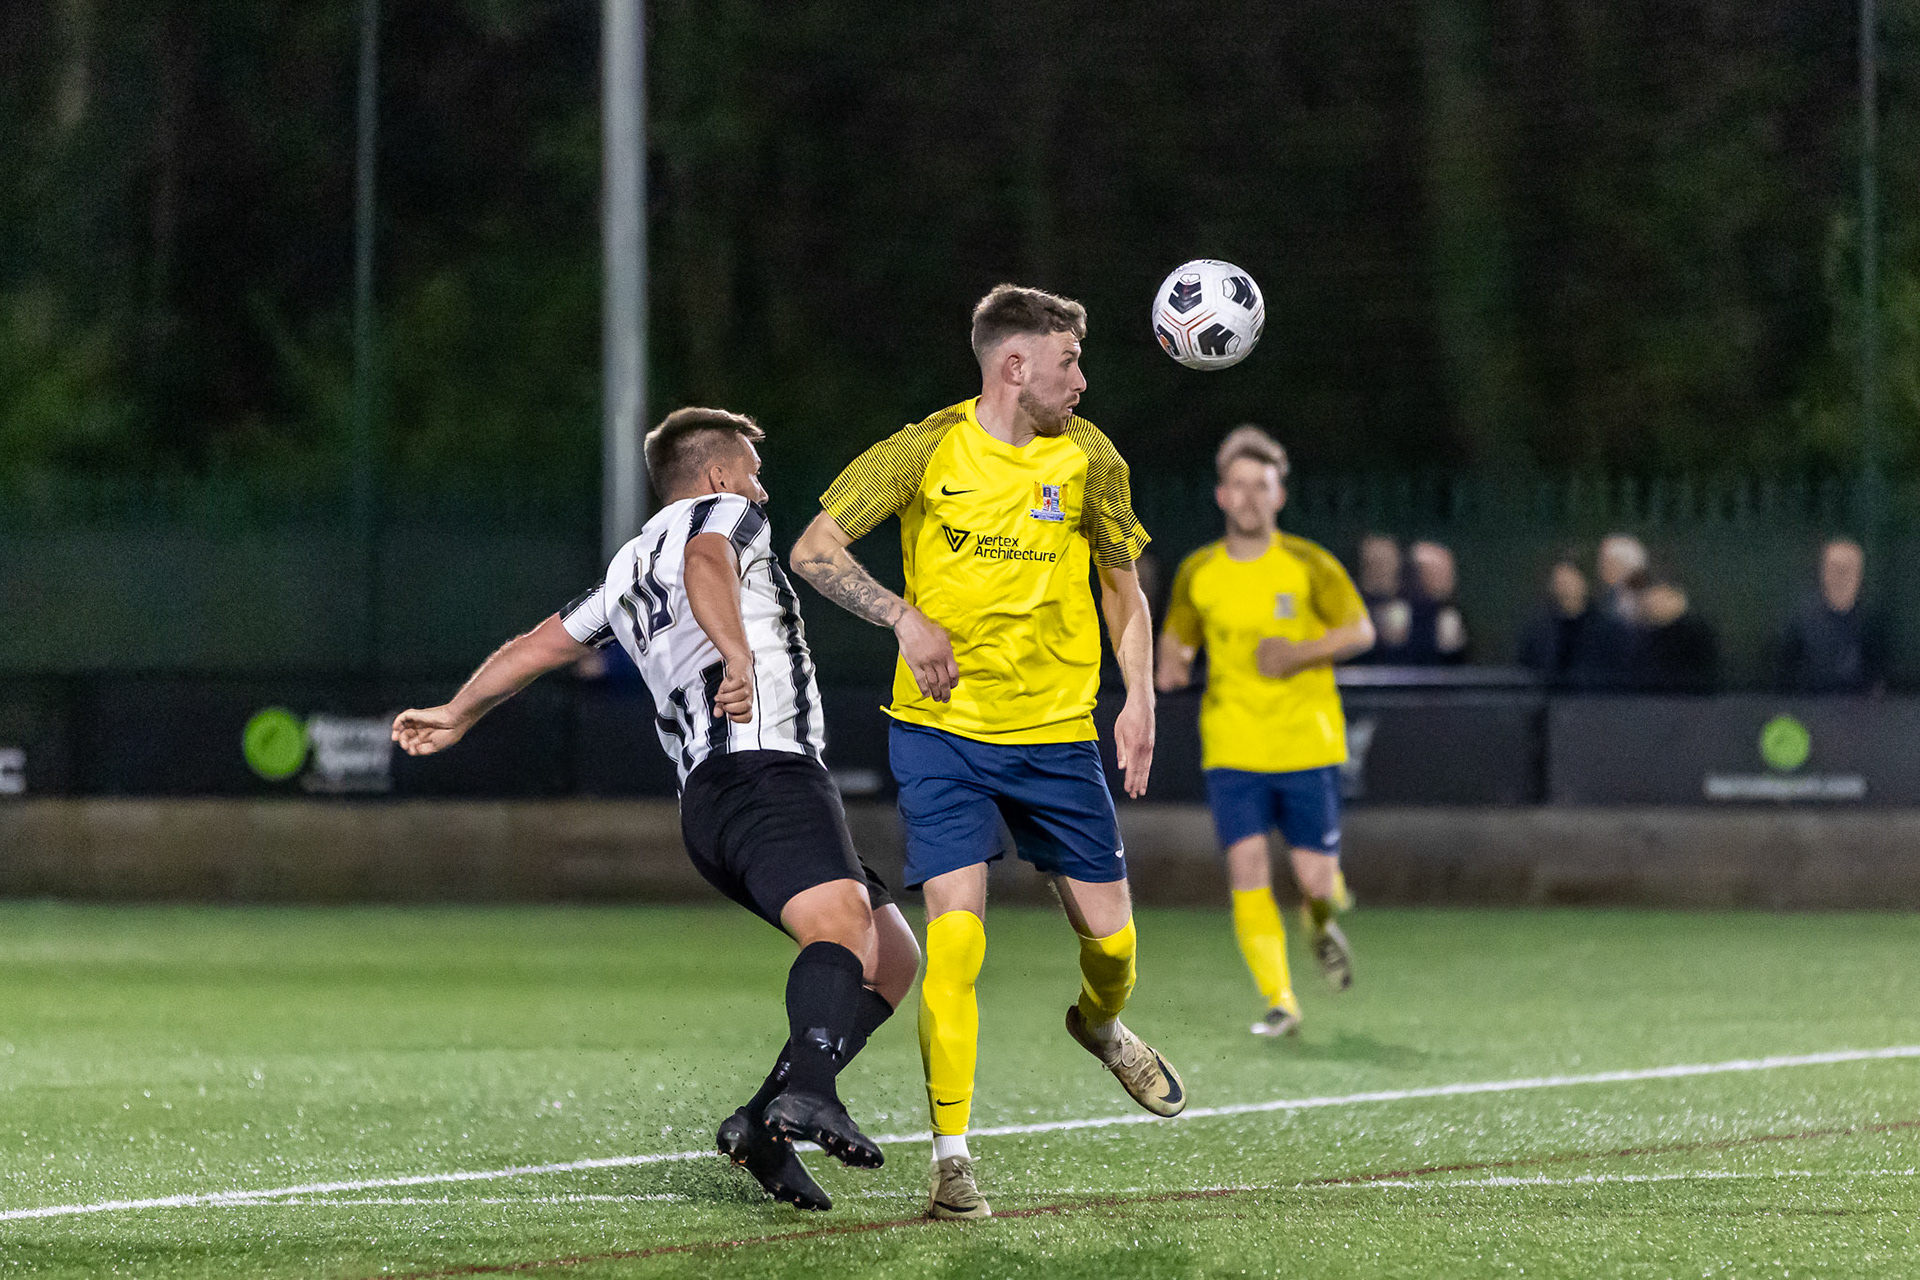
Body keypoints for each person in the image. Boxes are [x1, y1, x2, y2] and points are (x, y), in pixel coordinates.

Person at [390, 408, 920, 1214]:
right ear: (716, 475)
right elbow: (708, 560)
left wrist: (459, 712)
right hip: (762, 768)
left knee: (891, 957)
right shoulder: (724, 516)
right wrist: (736, 655)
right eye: (751, 472)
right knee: (841, 924)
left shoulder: (627, 569)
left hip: (711, 801)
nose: (760, 489)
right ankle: (809, 1094)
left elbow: (537, 645)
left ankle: (761, 1127)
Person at [791, 284, 1185, 1221]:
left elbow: (1122, 588)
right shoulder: (923, 450)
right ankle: (953, 1161)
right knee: (957, 938)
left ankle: (1102, 1028)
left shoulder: (1091, 457)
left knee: (1115, 950)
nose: (1080, 381)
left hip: (1056, 736)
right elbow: (812, 550)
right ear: (1016, 365)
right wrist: (902, 617)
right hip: (943, 733)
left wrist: (1140, 698)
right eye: (1068, 363)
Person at [1156, 426, 1375, 1038]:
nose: (1250, 497)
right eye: (1239, 486)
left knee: (1316, 883)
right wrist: (1170, 663)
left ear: (1280, 495)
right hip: (1233, 745)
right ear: (1221, 496)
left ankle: (1320, 923)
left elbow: (1360, 631)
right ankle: (1281, 1001)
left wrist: (1298, 653)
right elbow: (1177, 640)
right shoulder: (1199, 570)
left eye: (1262, 486)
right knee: (1247, 868)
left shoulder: (1309, 562)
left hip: (1306, 741)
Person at [1777, 538, 1886, 694]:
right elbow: (1785, 679)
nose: (1841, 576)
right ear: (1823, 573)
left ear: (1859, 575)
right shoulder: (1799, 622)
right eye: (1835, 569)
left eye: (1847, 569)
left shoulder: (1871, 623)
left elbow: (1878, 681)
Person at [1634, 575, 1718, 693]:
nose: (1657, 604)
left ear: (1679, 598)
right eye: (1654, 599)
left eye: (1664, 598)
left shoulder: (1695, 633)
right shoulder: (1644, 636)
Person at [1516, 557, 1592, 684]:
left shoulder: (1603, 628)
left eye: (1569, 582)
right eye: (1560, 583)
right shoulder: (1539, 632)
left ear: (1583, 582)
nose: (1565, 589)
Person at [1401, 541, 1468, 664]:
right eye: (1434, 571)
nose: (1444, 578)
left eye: (1447, 571)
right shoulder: (1402, 613)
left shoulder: (1455, 614)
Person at [1352, 533, 1411, 663]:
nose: (1381, 569)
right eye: (1374, 563)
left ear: (1397, 564)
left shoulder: (1419, 608)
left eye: (1386, 562)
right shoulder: (1350, 607)